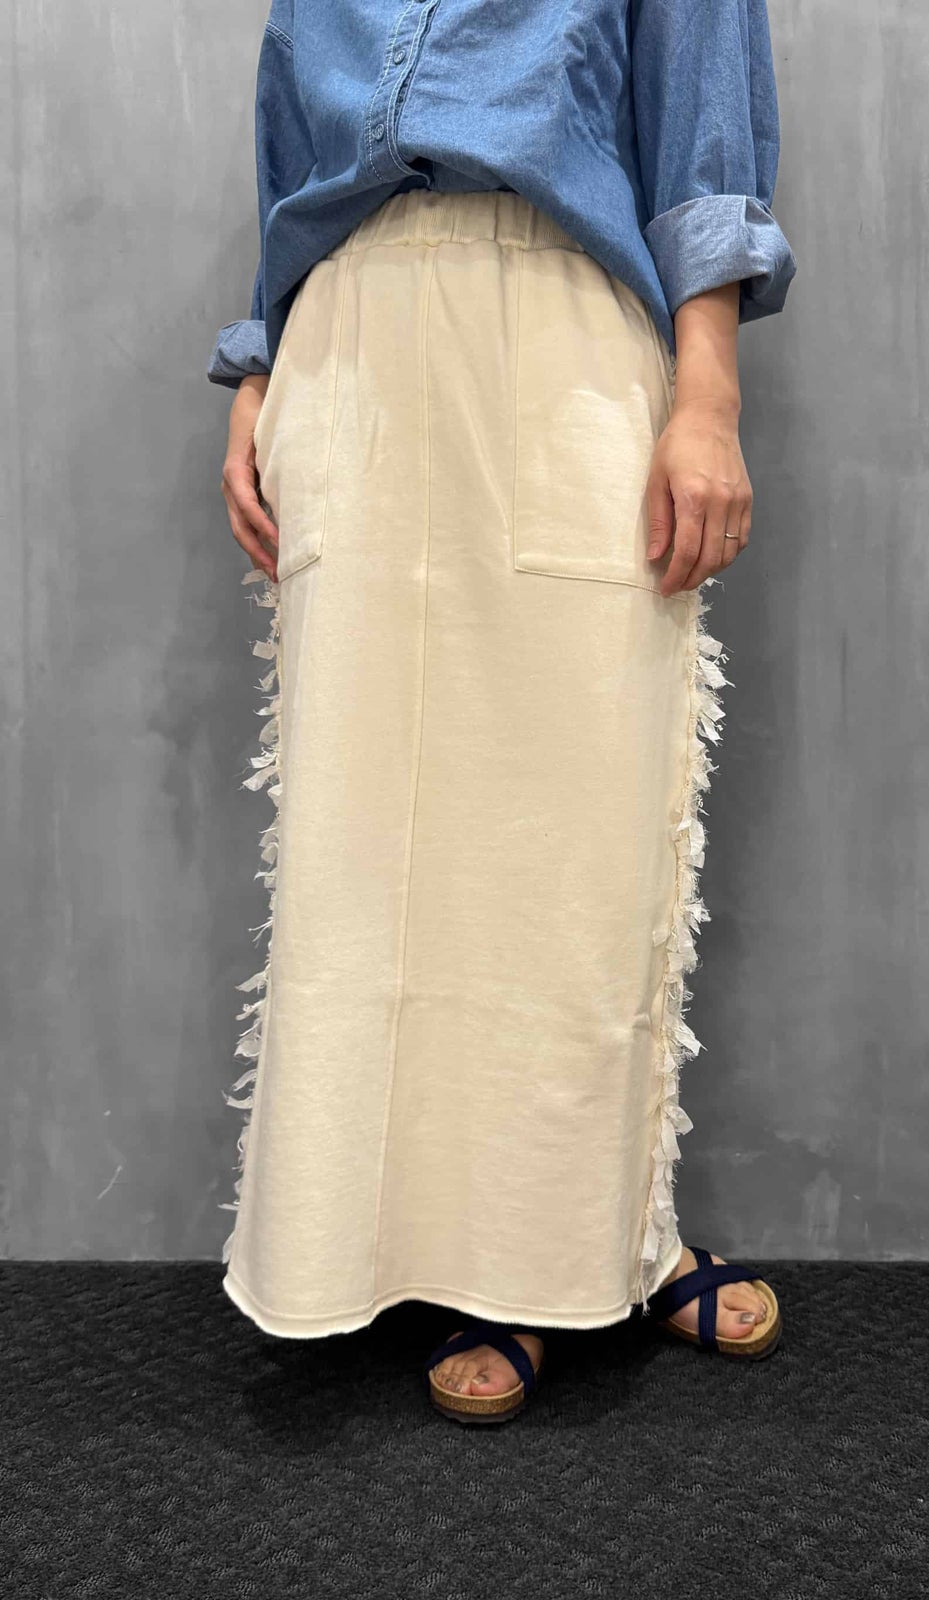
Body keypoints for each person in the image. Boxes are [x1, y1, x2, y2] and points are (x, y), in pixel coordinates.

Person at [208, 0, 796, 1425]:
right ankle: (393, 1252)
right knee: (365, 846)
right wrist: (259, 367)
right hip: (348, 349)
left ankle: (600, 1245)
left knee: (574, 832)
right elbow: (294, 155)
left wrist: (708, 397)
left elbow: (699, 130)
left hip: (561, 324)